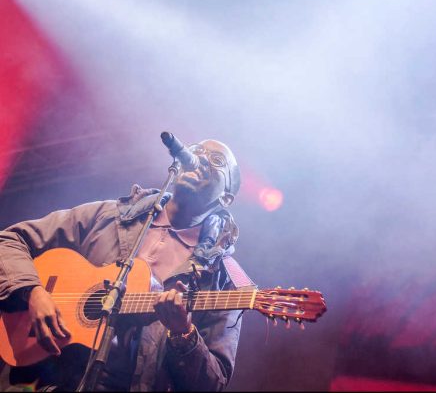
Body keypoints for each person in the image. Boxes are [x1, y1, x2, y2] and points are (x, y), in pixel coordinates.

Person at [0, 138, 253, 392]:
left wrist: (183, 333)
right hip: (43, 381)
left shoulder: (223, 278)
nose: (198, 158)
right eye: (196, 151)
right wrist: (32, 291)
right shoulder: (109, 216)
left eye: (216, 161)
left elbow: (212, 384)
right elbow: (10, 240)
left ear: (227, 198)